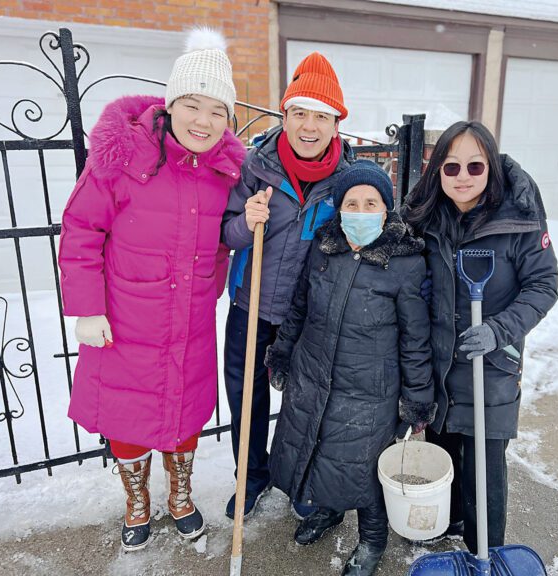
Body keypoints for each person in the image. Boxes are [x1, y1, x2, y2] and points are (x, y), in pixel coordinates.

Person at [58, 28, 245, 551]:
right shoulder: (123, 157)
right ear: (170, 104)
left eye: (217, 111)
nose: (203, 121)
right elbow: (80, 230)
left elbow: (227, 236)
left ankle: (180, 496)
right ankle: (137, 499)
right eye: (192, 105)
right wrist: (86, 309)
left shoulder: (226, 172)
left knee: (184, 410)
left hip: (188, 319)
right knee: (128, 414)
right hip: (124, 319)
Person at [264, 160, 436, 576]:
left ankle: (372, 539)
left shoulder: (406, 263)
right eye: (351, 203)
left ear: (386, 209)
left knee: (363, 468)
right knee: (321, 448)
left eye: (370, 203)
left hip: (370, 390)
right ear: (340, 209)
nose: (360, 211)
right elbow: (299, 308)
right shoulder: (324, 249)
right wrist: (282, 353)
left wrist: (416, 401)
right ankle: (328, 511)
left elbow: (416, 340)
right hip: (315, 373)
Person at [402, 120, 558, 553]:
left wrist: (499, 330)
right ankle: (447, 521)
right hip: (439, 361)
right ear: (437, 172)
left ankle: (484, 549)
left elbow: (544, 285)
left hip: (490, 365)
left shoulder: (518, 218)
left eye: (475, 165)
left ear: (490, 166)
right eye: (451, 168)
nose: (463, 177)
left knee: (484, 470)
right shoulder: (426, 217)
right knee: (443, 449)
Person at [221, 52, 354, 520]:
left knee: (309, 403)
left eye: (322, 116)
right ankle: (251, 477)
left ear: (337, 124)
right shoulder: (255, 167)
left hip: (313, 314)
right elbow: (224, 230)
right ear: (285, 115)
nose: (310, 126)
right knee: (247, 400)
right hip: (252, 305)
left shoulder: (347, 181)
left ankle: (301, 480)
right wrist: (244, 223)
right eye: (300, 113)